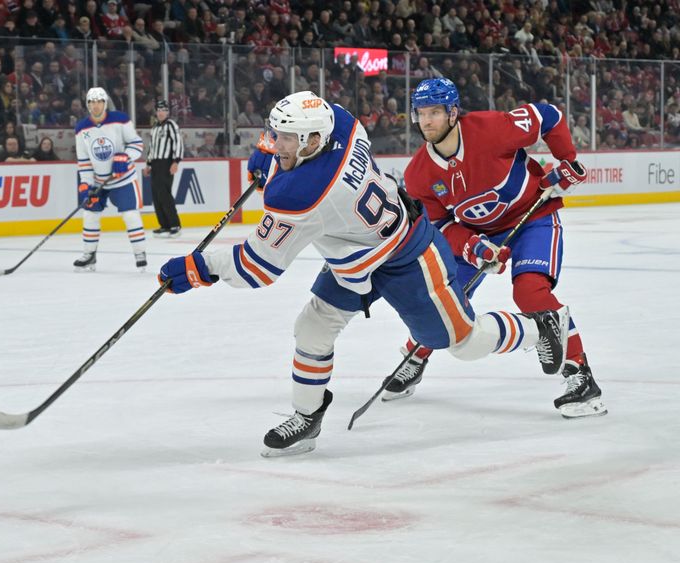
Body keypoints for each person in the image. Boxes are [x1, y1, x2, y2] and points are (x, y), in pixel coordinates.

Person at [158, 91, 570, 457]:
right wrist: (272, 152)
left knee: (461, 342)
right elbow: (310, 128)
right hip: (354, 259)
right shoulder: (343, 124)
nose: (276, 141)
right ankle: (307, 417)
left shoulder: (303, 195)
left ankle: (540, 326)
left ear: (312, 142)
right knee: (312, 328)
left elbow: (256, 268)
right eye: (276, 134)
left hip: (407, 257)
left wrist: (198, 269)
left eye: (286, 138)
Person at [382, 78, 606, 419]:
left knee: (531, 293)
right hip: (480, 233)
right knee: (445, 298)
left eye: (435, 112)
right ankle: (416, 355)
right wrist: (472, 246)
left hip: (534, 217)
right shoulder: (418, 174)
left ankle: (580, 377)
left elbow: (548, 116)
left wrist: (567, 161)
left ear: (453, 112)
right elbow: (440, 226)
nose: (426, 121)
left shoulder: (491, 128)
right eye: (421, 113)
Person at [74, 86, 147, 272]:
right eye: (91, 102)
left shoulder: (120, 120)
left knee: (130, 215)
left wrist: (125, 156)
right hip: (98, 181)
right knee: (89, 215)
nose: (95, 105)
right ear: (87, 105)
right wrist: (85, 184)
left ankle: (140, 253)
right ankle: (89, 255)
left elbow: (137, 144)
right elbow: (83, 161)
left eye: (99, 101)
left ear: (105, 103)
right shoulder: (82, 128)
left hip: (123, 179)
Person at [145, 99, 183, 237]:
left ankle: (175, 224)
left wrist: (175, 161)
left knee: (165, 194)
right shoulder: (154, 127)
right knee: (156, 195)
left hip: (166, 163)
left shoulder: (171, 125)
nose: (161, 113)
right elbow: (152, 147)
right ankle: (164, 225)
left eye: (164, 110)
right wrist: (148, 164)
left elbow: (178, 143)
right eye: (159, 110)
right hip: (155, 163)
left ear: (168, 112)